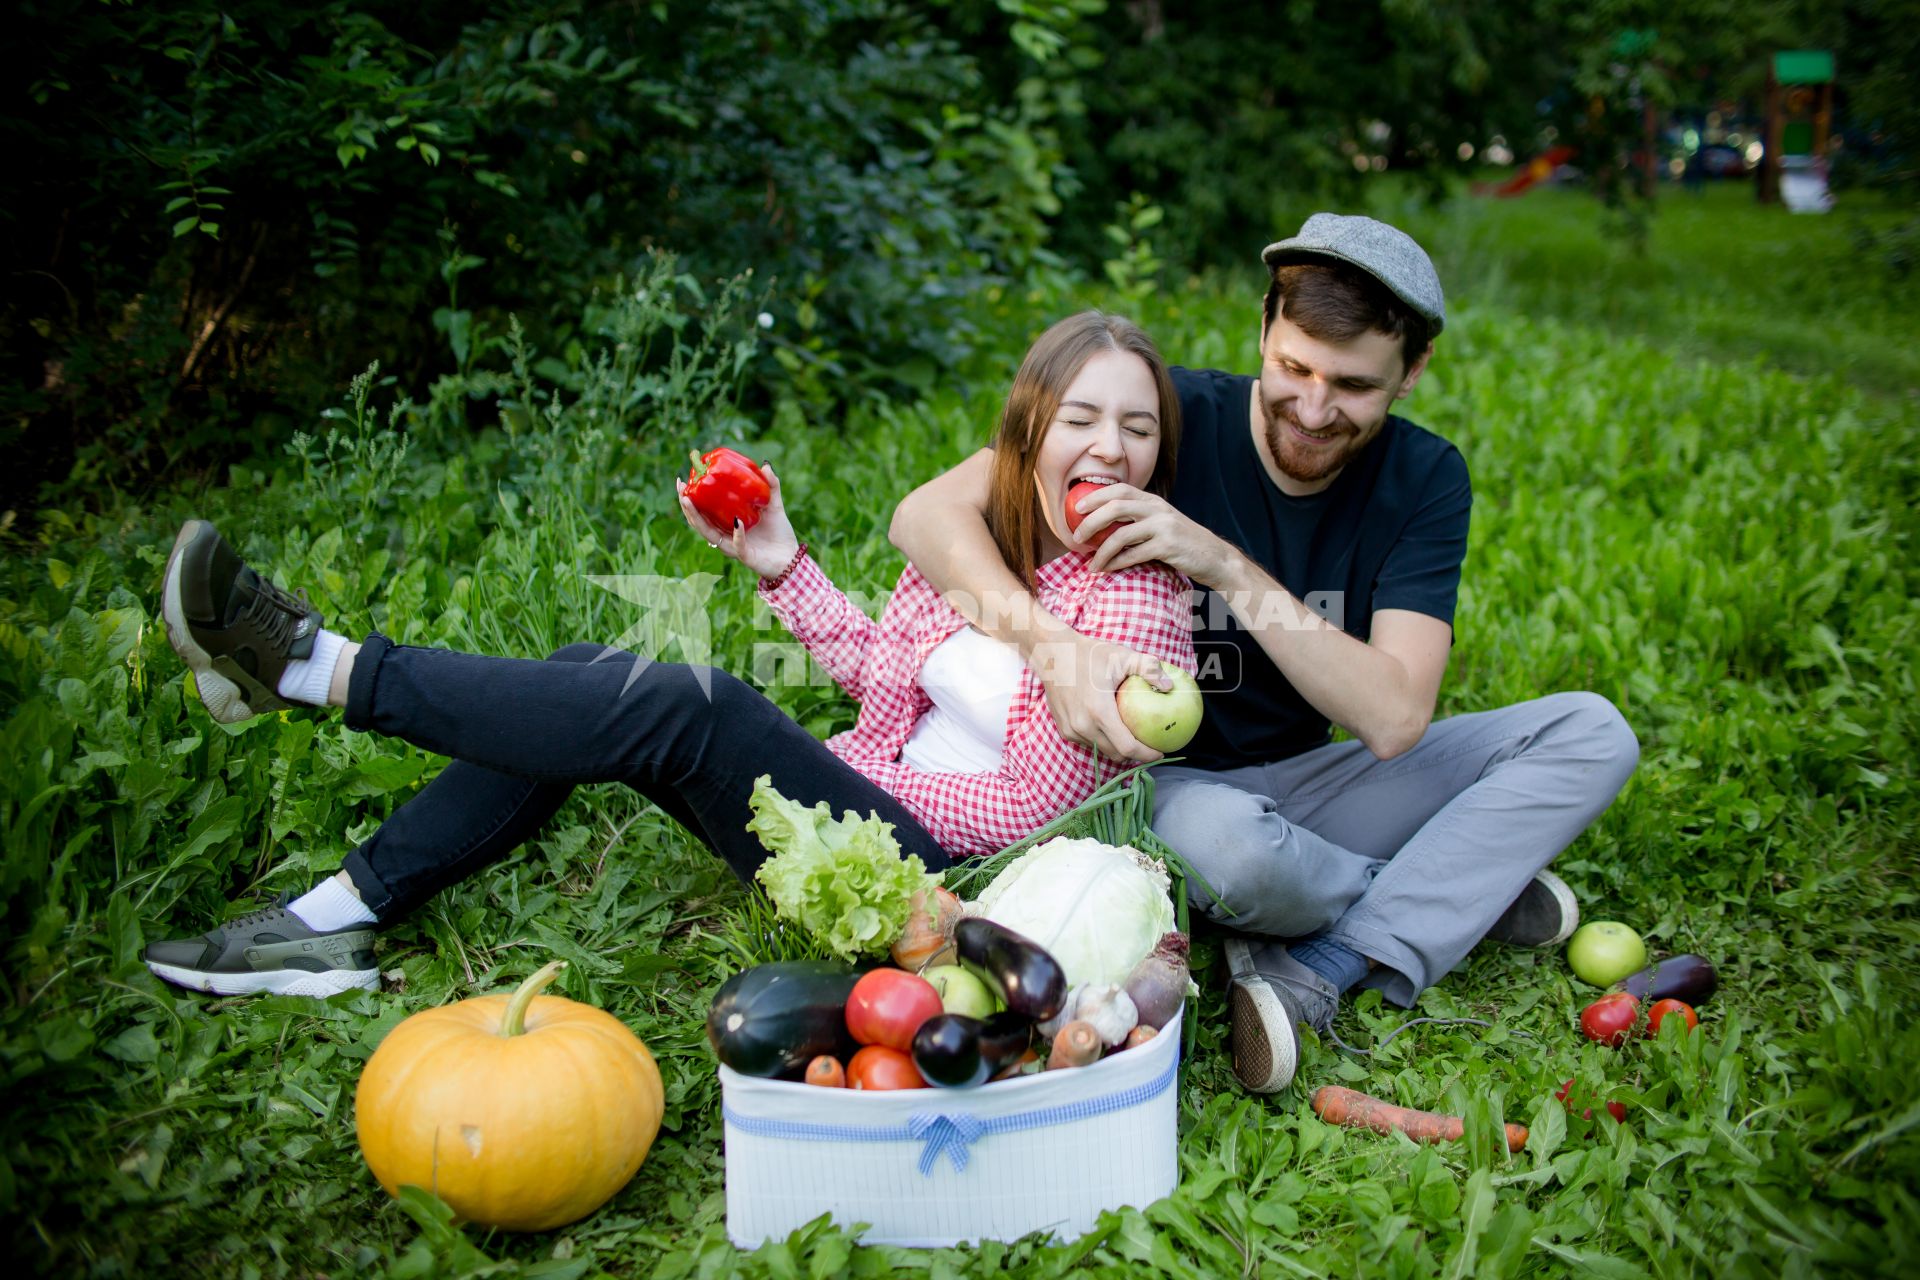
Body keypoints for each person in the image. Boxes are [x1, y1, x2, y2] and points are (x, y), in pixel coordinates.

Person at [144, 311, 1195, 997]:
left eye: (1138, 429)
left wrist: (827, 771)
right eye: (1082, 417)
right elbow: (890, 692)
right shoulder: (982, 543)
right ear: (1026, 433)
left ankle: (310, 667)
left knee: (700, 706)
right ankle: (331, 919)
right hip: (870, 813)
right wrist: (784, 564)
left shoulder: (1139, 604)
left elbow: (1026, 815)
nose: (1111, 447)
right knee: (583, 664)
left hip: (952, 898)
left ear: (1159, 456)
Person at [890, 215, 1640, 1093]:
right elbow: (924, 516)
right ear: (1263, 329)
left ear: (1414, 370)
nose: (1315, 409)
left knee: (1593, 733)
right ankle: (1444, 892)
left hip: (1316, 785)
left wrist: (1218, 560)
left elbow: (1395, 719)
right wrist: (1051, 647)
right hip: (1158, 792)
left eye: (1354, 385)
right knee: (1238, 854)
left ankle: (1324, 949)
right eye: (1294, 369)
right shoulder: (1156, 415)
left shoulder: (1425, 479)